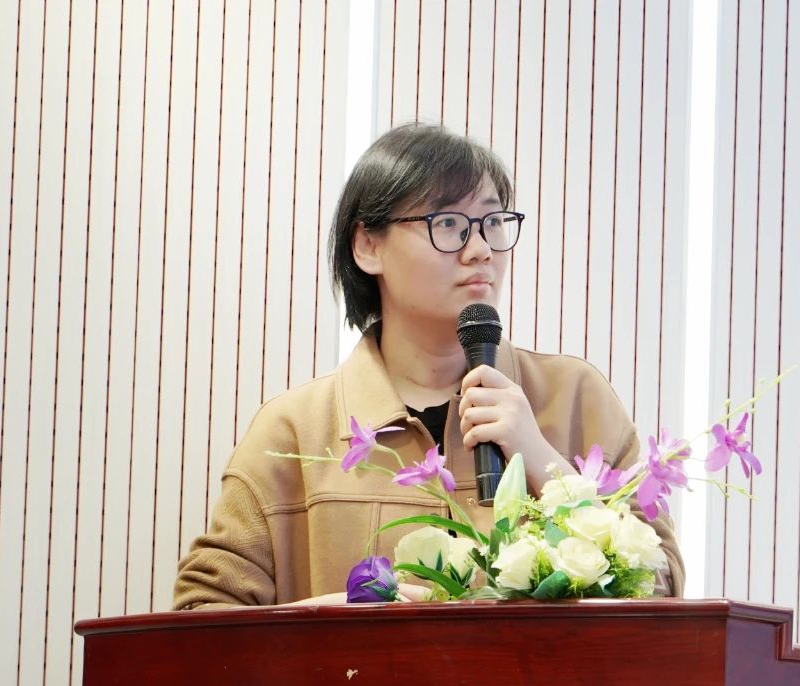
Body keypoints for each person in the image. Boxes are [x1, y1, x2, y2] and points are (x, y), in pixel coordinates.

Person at [172, 123, 684, 608]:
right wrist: (326, 623)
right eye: (449, 225)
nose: (480, 250)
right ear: (368, 245)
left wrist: (543, 464)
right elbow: (201, 614)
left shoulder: (575, 398)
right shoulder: (294, 431)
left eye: (492, 223)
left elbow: (662, 594)